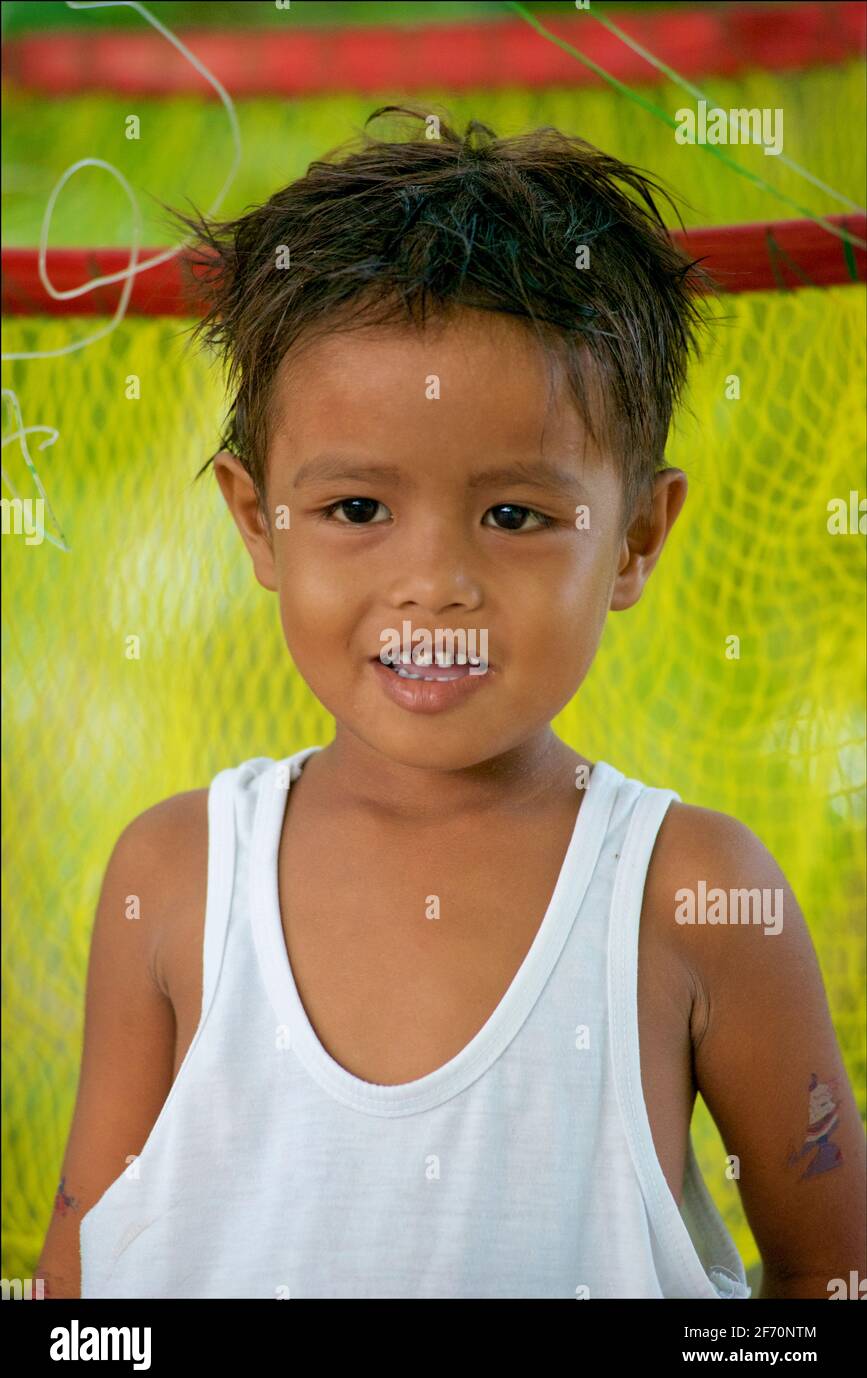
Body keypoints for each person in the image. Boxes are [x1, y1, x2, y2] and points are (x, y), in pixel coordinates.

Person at [38, 108, 865, 1299]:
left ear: (637, 536)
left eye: (516, 515)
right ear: (254, 517)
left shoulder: (695, 897)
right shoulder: (174, 876)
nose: (436, 583)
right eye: (358, 510)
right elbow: (81, 1304)